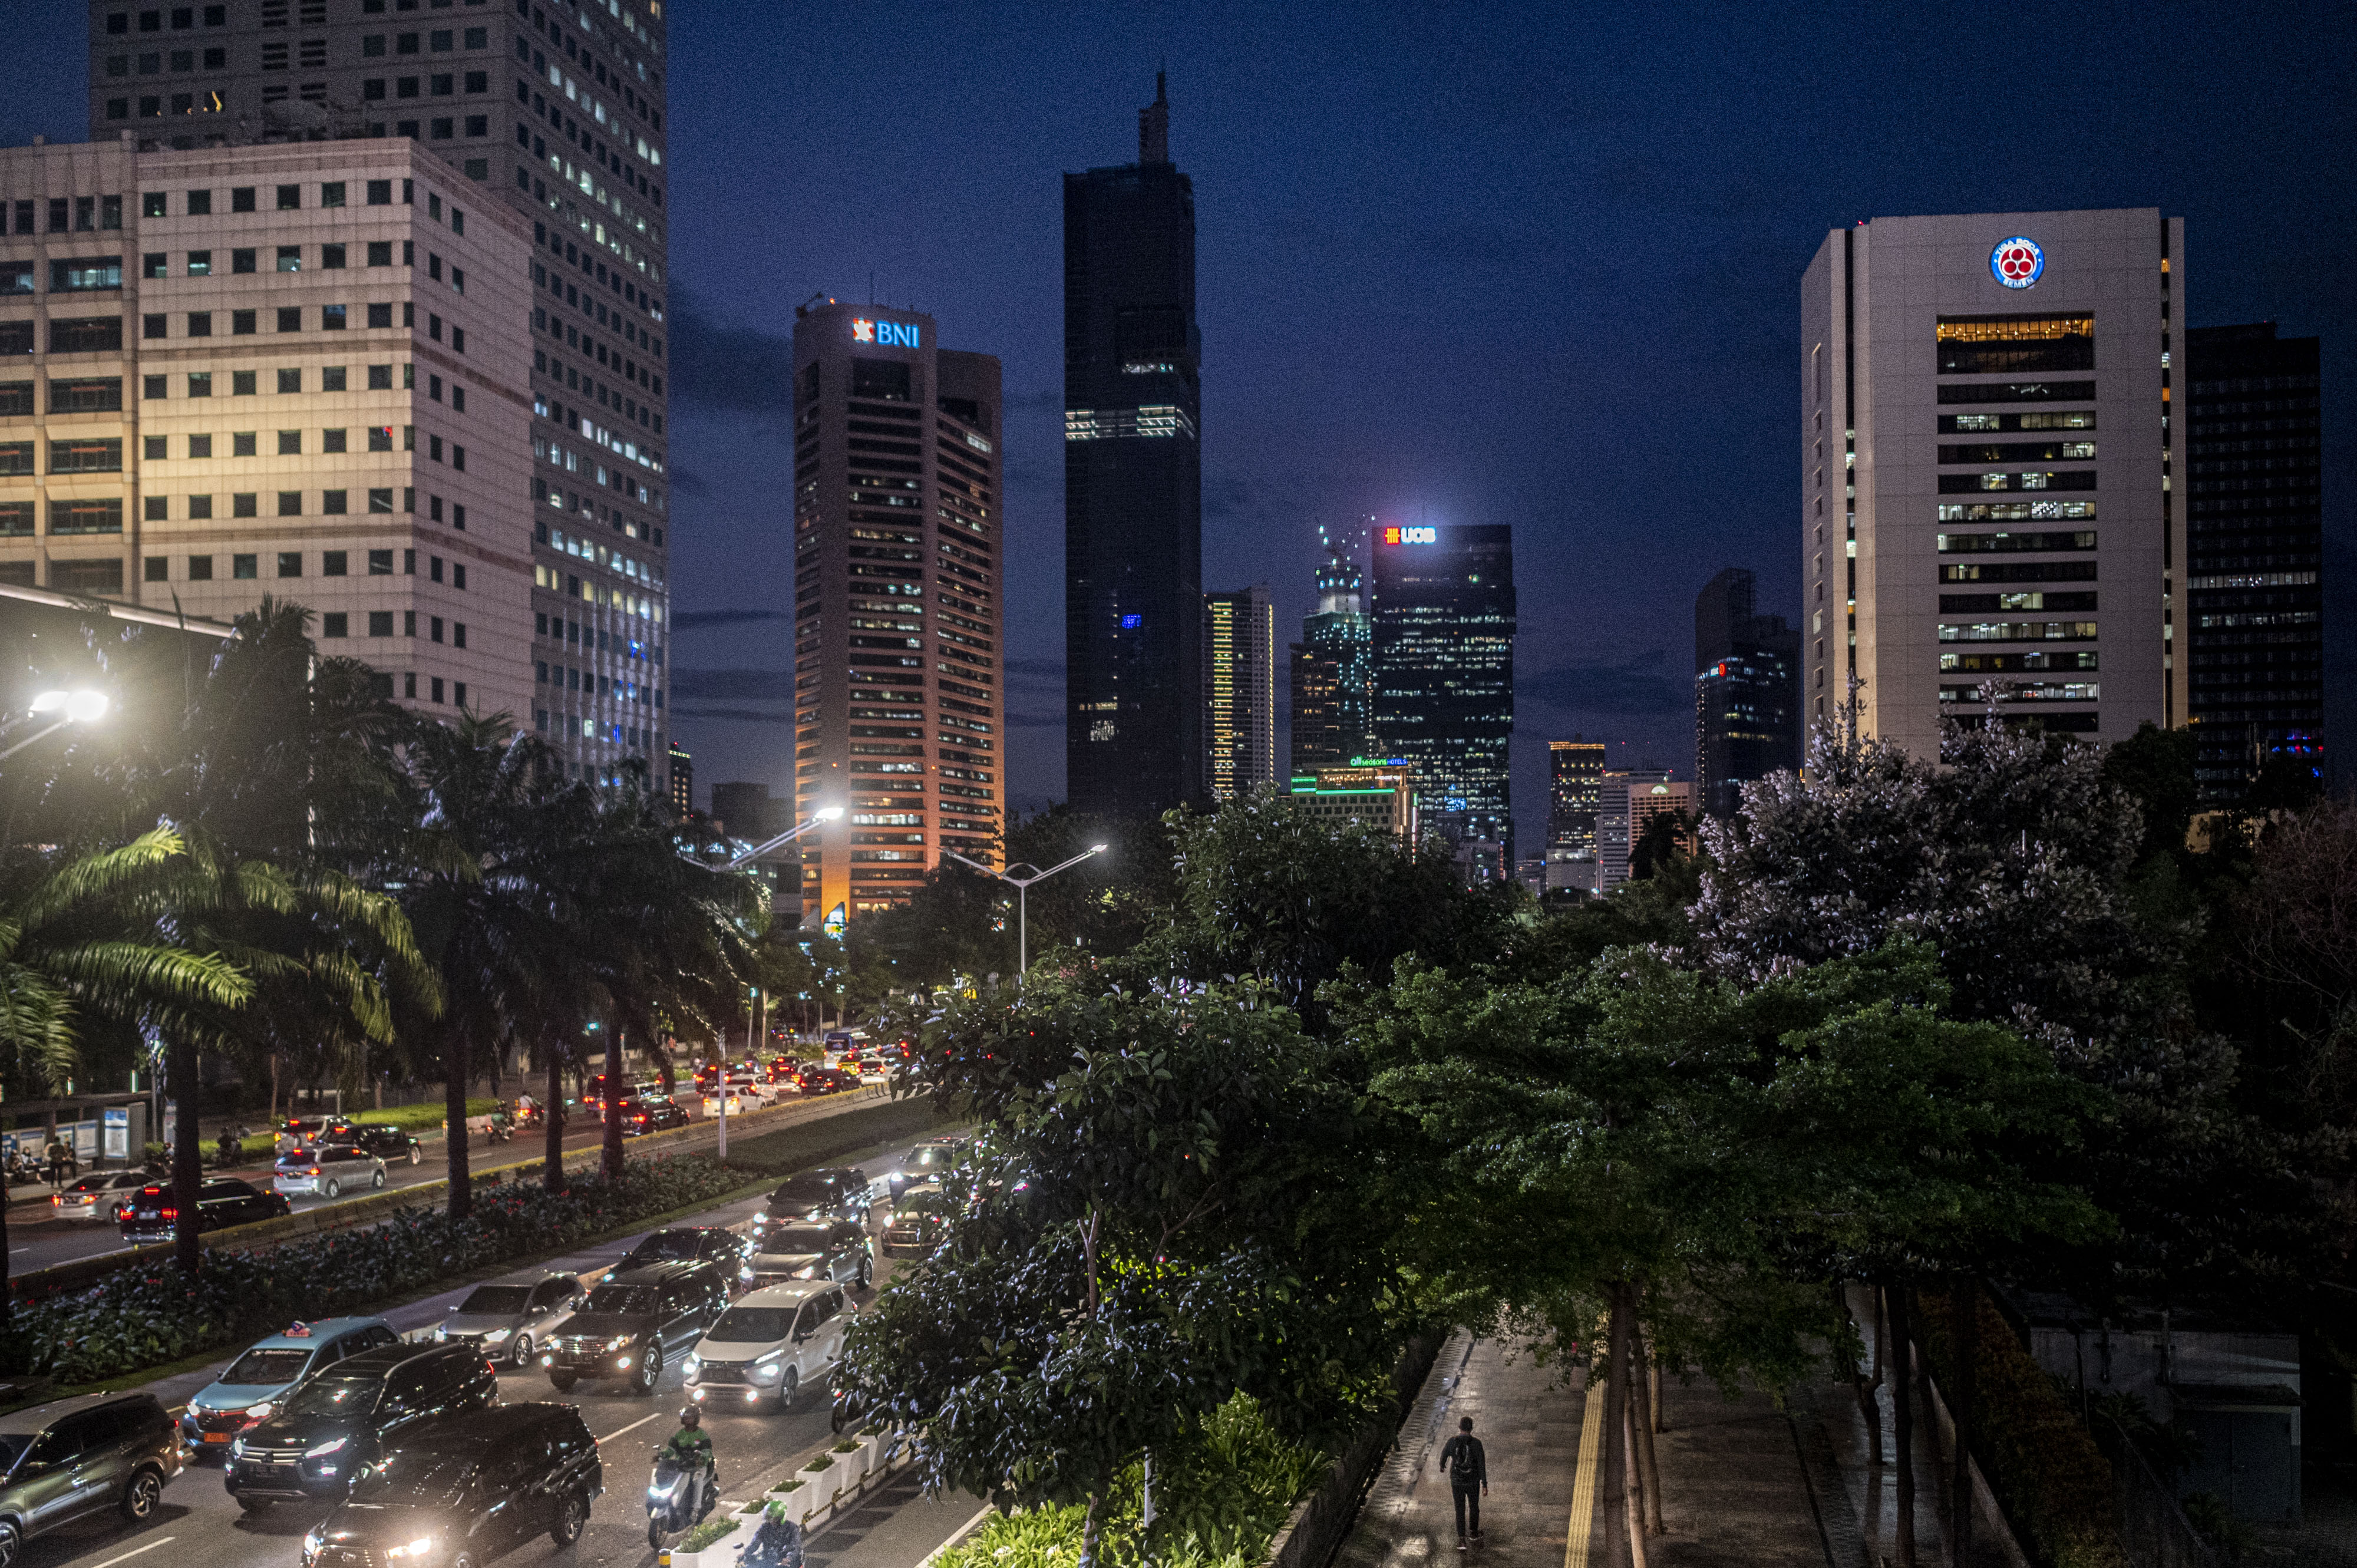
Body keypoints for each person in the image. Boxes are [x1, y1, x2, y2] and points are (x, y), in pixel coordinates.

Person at [1437, 1415, 1487, 1550]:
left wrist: (1442, 1466)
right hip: (1472, 1481)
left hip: (1457, 1481)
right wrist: (1485, 1484)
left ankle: (1462, 1540)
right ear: (1471, 1429)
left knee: (1459, 1509)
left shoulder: (1452, 1442)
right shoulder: (1477, 1444)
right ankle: (1473, 1532)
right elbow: (1482, 1464)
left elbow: (1444, 1455)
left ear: (1460, 1427)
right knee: (1474, 1506)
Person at [659, 1405, 716, 1521]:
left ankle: (695, 1509)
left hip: (698, 1467)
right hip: (683, 1465)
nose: (688, 1420)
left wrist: (701, 1458)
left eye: (690, 1418)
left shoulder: (702, 1435)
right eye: (686, 1418)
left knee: (697, 1480)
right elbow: (671, 1449)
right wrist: (662, 1455)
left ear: (696, 1419)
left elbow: (707, 1452)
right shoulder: (679, 1434)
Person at [742, 1503, 804, 1568]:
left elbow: (796, 1546)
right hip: (769, 1560)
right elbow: (756, 1542)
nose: (771, 1521)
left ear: (780, 1517)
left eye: (773, 1518)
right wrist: (746, 1552)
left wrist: (789, 1558)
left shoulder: (792, 1528)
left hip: (787, 1562)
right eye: (769, 1518)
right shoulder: (765, 1528)